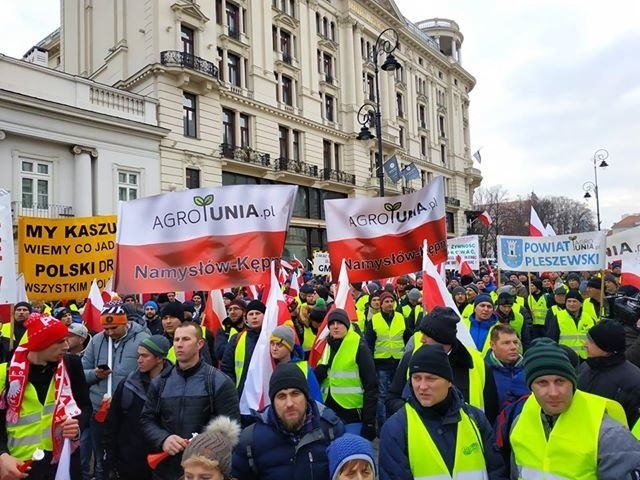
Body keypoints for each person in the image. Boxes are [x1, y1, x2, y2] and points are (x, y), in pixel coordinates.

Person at [510, 339, 640, 479]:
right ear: (531, 387)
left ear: (573, 383)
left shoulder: (608, 434)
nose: (553, 392)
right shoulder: (519, 424)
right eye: (542, 383)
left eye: (560, 381)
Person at [379, 344, 508, 480]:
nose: (422, 387)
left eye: (431, 378)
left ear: (449, 381)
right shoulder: (396, 428)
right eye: (416, 378)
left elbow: (496, 472)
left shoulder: (475, 419)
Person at [141, 321, 240, 480]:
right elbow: (147, 419)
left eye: (186, 339)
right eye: (176, 340)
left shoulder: (219, 382)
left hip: (204, 471)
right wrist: (163, 439)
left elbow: (231, 430)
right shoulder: (160, 382)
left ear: (200, 343)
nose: (179, 344)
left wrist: (202, 449)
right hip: (166, 469)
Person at [0, 313, 91, 479]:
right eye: (59, 341)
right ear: (40, 344)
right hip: (19, 465)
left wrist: (77, 428)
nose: (66, 346)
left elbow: (85, 406)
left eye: (66, 339)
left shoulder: (71, 365)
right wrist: (2, 455)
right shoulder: (4, 373)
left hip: (63, 462)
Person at [387, 306, 500, 423]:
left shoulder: (476, 362)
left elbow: (491, 408)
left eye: (427, 335)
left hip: (466, 435)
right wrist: (414, 414)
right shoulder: (411, 357)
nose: (421, 340)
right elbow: (392, 398)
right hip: (421, 434)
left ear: (442, 338)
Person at [231, 363, 345, 479]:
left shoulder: (332, 431)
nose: (289, 403)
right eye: (281, 396)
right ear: (273, 403)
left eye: (295, 394)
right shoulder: (251, 440)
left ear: (306, 397)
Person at [82, 302, 150, 480]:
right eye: (106, 327)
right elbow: (81, 372)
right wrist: (95, 374)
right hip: (100, 412)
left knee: (126, 456)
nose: (109, 332)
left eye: (114, 327)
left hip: (129, 413)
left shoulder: (142, 339)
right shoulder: (96, 341)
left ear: (125, 322)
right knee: (100, 458)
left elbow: (150, 375)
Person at [104, 335, 172, 480]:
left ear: (159, 358)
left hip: (163, 462)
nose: (139, 360)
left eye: (144, 356)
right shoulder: (128, 384)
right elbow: (113, 423)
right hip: (129, 462)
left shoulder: (175, 385)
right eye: (138, 355)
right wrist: (110, 461)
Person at [315, 309, 378, 438]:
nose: (335, 326)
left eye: (340, 323)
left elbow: (371, 385)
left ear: (347, 325)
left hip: (352, 412)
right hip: (329, 412)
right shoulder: (326, 346)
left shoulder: (359, 346)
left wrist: (369, 421)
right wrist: (319, 371)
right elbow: (319, 378)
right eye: (332, 324)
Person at [578, 319, 640, 427]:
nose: (585, 345)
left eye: (591, 342)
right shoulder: (585, 367)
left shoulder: (633, 380)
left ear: (606, 349)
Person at [364, 291, 406, 429]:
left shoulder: (400, 317)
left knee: (397, 394)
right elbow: (369, 343)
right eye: (386, 302)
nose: (389, 304)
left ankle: (397, 425)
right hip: (381, 364)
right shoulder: (374, 320)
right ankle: (383, 427)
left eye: (391, 301)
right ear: (381, 305)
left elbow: (406, 336)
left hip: (399, 363)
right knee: (382, 396)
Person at [221, 300, 265, 401]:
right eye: (251, 314)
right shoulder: (236, 339)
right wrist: (234, 390)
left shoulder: (272, 338)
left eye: (258, 313)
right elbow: (226, 368)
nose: (254, 317)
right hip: (242, 396)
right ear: (246, 318)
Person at [269, 323, 322, 402]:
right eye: (272, 344)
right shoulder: (268, 366)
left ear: (289, 347)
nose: (274, 348)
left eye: (279, 345)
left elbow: (316, 398)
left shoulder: (304, 368)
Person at [485, 324, 529, 410]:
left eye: (515, 342)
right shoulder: (484, 372)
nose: (513, 347)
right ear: (492, 345)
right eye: (506, 343)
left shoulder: (528, 369)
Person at [545, 289, 597, 359]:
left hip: (586, 358)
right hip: (565, 357)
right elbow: (551, 339)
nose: (571, 304)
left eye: (574, 301)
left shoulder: (589, 318)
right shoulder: (558, 317)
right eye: (569, 301)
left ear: (581, 304)